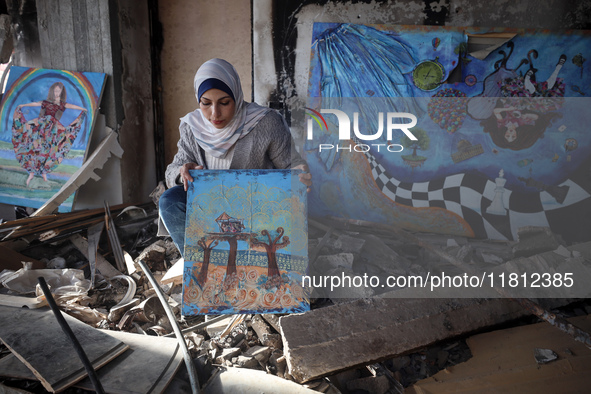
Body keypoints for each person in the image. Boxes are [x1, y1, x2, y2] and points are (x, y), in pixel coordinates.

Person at [159, 58, 312, 256]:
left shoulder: (265, 122)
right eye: (206, 103)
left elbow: (293, 165)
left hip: (256, 209)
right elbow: (173, 169)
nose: (215, 113)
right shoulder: (192, 127)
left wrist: (301, 174)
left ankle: (264, 261)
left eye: (224, 103)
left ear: (237, 96)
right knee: (170, 200)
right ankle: (199, 261)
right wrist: (182, 173)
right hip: (211, 211)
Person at [12, 81, 87, 186]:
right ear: (52, 91)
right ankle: (31, 173)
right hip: (41, 127)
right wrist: (23, 105)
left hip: (52, 130)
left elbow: (71, 106)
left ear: (61, 92)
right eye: (55, 91)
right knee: (34, 147)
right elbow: (36, 103)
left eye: (59, 91)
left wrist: (83, 109)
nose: (56, 93)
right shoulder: (46, 102)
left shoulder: (61, 104)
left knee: (49, 150)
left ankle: (44, 175)